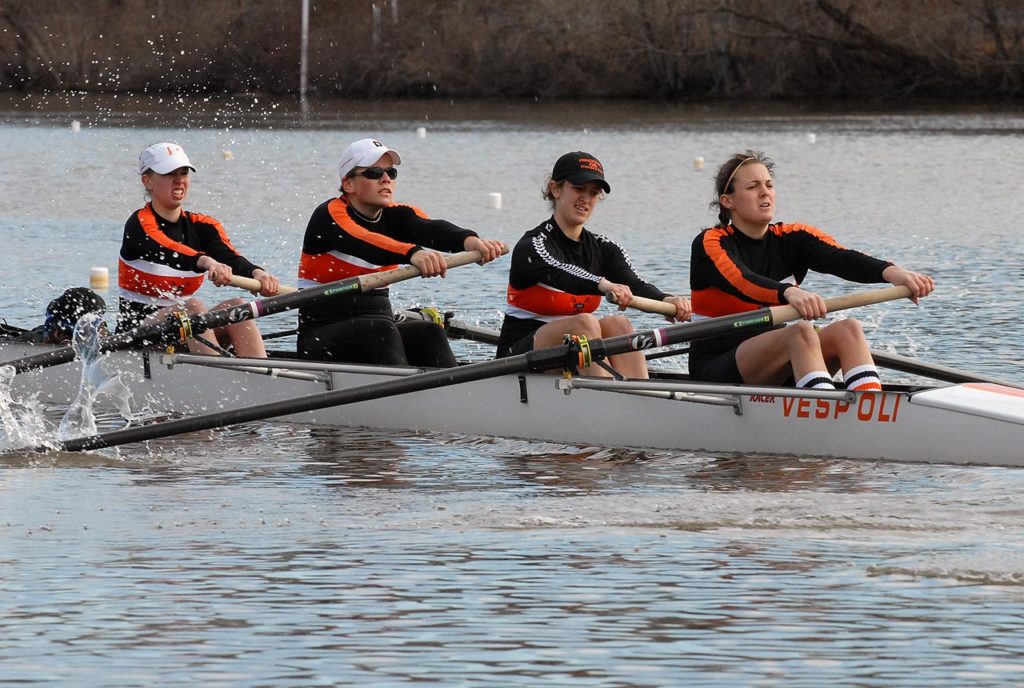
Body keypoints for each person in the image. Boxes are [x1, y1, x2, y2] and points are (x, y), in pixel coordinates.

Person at [688, 150, 935, 391]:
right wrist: (788, 293)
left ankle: (869, 406)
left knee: (848, 329)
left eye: (769, 185)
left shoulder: (793, 238)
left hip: (777, 361)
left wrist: (894, 273)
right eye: (753, 187)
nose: (765, 192)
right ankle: (824, 412)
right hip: (717, 367)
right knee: (801, 331)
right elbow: (741, 280)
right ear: (728, 201)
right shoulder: (711, 242)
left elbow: (843, 258)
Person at [297, 137, 506, 367]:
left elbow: (430, 228)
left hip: (377, 328)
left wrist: (469, 240)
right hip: (321, 333)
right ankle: (403, 398)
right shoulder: (329, 216)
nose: (385, 179)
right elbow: (366, 242)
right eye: (374, 173)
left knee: (430, 332)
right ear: (349, 184)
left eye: (391, 173)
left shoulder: (397, 215)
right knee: (382, 330)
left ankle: (452, 394)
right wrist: (413, 253)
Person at [496, 151, 691, 378]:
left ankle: (640, 397)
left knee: (619, 324)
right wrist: (603, 284)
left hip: (569, 353)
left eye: (594, 193)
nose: (586, 199)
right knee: (584, 324)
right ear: (555, 189)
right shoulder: (533, 245)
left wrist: (667, 300)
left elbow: (634, 283)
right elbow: (563, 273)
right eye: (578, 189)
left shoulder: (603, 247)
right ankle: (609, 398)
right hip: (517, 356)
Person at [118, 142, 280, 357]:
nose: (179, 180)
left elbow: (229, 257)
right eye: (169, 173)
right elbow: (170, 250)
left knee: (239, 308)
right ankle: (215, 379)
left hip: (184, 330)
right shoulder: (139, 224)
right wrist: (207, 262)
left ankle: (261, 377)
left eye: (184, 173)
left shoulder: (204, 225)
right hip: (136, 334)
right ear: (147, 181)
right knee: (192, 307)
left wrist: (258, 274)